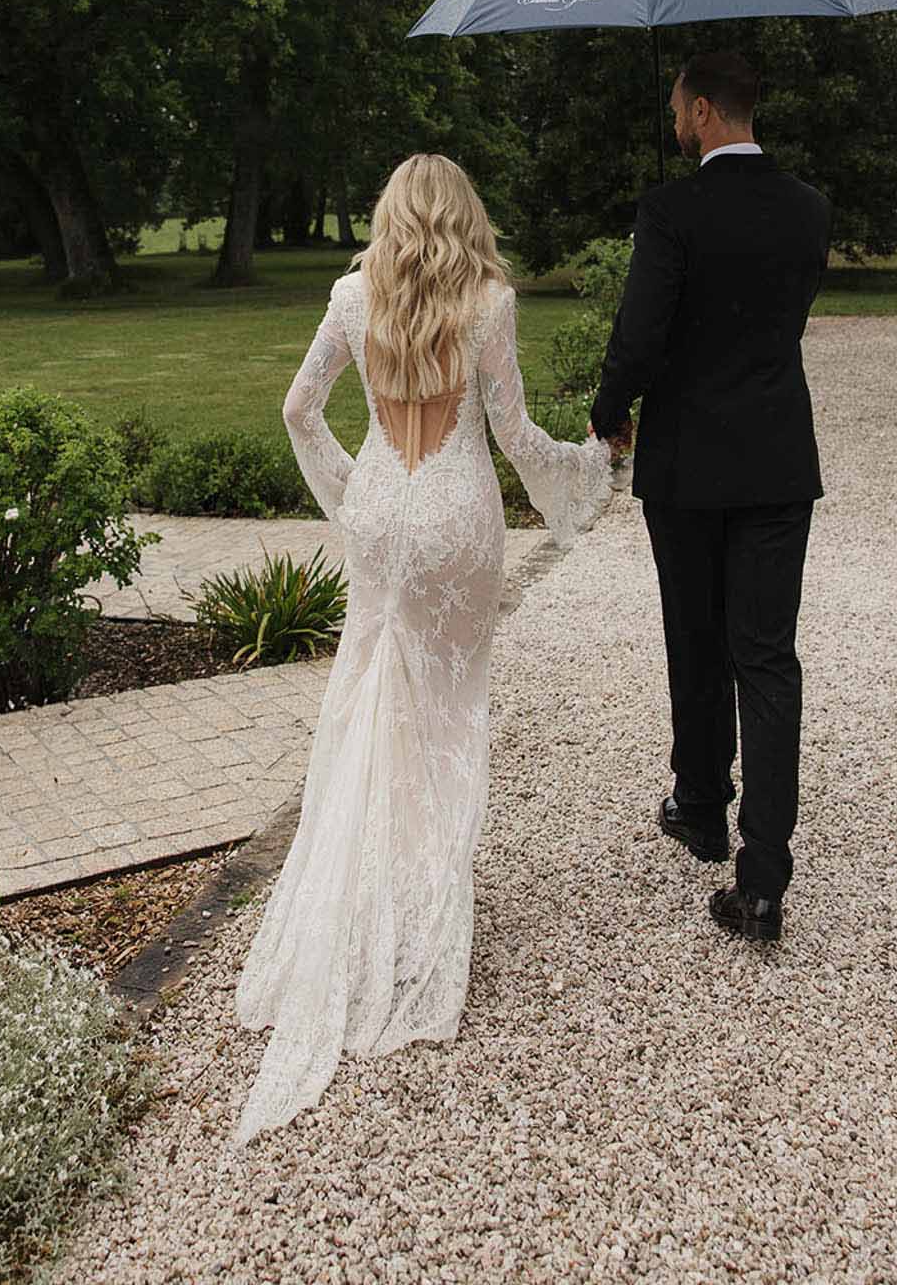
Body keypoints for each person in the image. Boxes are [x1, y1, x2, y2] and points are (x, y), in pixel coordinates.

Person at [233, 153, 613, 1143]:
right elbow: (513, 430)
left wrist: (351, 489)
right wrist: (583, 472)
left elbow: (297, 408)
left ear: (390, 213)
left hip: (379, 512)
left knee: (366, 703)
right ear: (464, 215)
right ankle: (421, 915)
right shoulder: (489, 298)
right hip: (455, 516)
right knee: (445, 715)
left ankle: (363, 900)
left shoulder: (352, 294)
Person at [590, 50, 832, 946]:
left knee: (695, 640)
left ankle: (700, 807)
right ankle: (762, 878)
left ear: (701, 111)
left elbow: (643, 330)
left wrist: (611, 409)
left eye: (677, 105)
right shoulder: (810, 210)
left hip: (689, 466)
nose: (674, 118)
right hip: (776, 462)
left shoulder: (671, 210)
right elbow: (781, 322)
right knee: (767, 658)